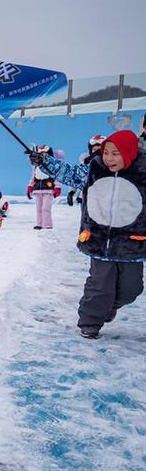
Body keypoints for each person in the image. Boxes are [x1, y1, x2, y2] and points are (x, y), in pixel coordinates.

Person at [30, 130, 145, 339]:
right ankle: (90, 322)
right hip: (100, 240)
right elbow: (69, 173)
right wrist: (45, 162)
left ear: (129, 153)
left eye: (115, 153)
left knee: (132, 289)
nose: (108, 158)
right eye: (106, 152)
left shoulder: (143, 172)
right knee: (100, 286)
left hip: (132, 242)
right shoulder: (95, 168)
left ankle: (111, 306)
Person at [27, 145, 62, 230]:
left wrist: (57, 187)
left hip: (48, 190)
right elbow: (33, 176)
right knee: (39, 208)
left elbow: (56, 177)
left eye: (45, 154)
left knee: (45, 208)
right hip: (37, 189)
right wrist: (30, 187)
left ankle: (47, 225)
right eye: (41, 154)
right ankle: (39, 224)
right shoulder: (36, 166)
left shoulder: (52, 166)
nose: (43, 155)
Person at [67, 135, 105, 206]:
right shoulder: (85, 163)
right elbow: (77, 176)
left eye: (99, 150)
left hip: (102, 197)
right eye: (94, 150)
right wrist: (71, 191)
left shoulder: (108, 163)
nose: (96, 152)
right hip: (85, 195)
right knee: (85, 216)